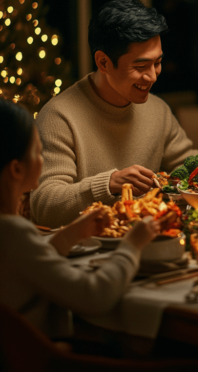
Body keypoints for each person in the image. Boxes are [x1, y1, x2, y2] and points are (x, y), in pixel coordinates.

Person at [31, 0, 198, 228]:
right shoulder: (59, 117)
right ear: (103, 62)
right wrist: (108, 184)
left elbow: (192, 167)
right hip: (83, 255)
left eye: (158, 63)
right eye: (140, 67)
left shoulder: (158, 110)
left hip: (147, 244)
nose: (152, 76)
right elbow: (45, 207)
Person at [0, 99, 163, 337]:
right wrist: (132, 245)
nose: (43, 160)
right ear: (16, 169)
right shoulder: (12, 232)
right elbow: (96, 297)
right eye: (38, 152)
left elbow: (32, 264)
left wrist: (72, 233)